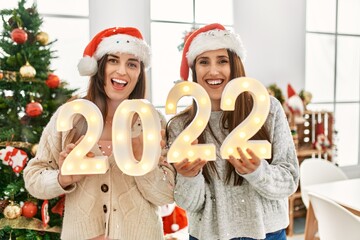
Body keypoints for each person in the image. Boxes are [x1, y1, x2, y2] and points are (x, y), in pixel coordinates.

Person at [23, 26, 175, 240]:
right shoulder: (70, 117)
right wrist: (62, 178)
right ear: (98, 67)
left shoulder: (152, 121)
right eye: (113, 61)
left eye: (131, 64)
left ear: (139, 72)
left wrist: (143, 163)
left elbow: (165, 195)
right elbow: (33, 179)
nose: (122, 71)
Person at [166, 23, 299, 240]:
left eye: (222, 61)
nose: (213, 71)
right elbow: (188, 203)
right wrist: (189, 176)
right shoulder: (181, 126)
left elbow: (290, 180)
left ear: (235, 65)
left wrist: (258, 172)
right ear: (194, 70)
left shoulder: (267, 109)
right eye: (203, 62)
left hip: (268, 234)